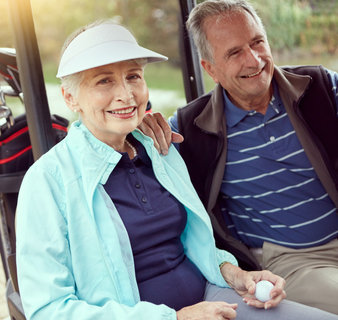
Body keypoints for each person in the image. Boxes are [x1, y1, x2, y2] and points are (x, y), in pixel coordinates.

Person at [15, 21, 337, 320]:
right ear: (70, 97)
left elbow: (194, 245)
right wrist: (176, 318)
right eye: (104, 81)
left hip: (213, 300)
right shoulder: (47, 181)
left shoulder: (161, 150)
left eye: (133, 76)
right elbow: (48, 309)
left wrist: (237, 275)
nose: (126, 94)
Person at [139, 0, 338, 315]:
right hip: (294, 261)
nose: (254, 59)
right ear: (210, 69)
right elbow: (132, 158)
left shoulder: (321, 87)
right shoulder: (191, 128)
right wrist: (141, 127)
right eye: (234, 53)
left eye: (257, 42)